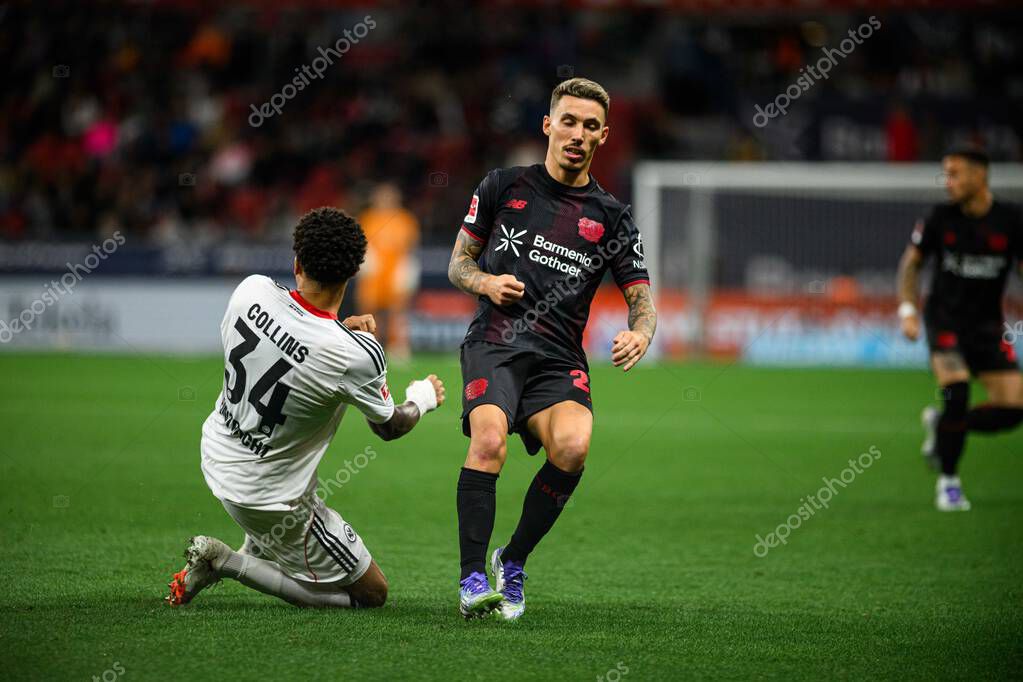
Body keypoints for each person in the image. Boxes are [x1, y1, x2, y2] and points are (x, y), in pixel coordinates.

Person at [447, 78, 657, 619]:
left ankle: (512, 560)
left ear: (603, 136)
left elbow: (642, 301)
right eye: (568, 121)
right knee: (489, 441)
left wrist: (641, 333)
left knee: (573, 448)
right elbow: (459, 264)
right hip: (495, 343)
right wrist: (486, 283)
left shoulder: (612, 217)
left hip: (558, 359)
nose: (577, 134)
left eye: (590, 126)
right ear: (548, 125)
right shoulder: (502, 186)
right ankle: (471, 578)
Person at [166, 207, 444, 608]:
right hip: (269, 499)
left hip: (217, 454)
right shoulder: (355, 354)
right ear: (353, 274)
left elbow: (293, 341)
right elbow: (388, 426)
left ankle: (253, 547)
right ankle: (225, 562)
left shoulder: (250, 290)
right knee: (371, 594)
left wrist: (339, 333)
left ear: (297, 263)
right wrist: (423, 398)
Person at [896, 150, 1023, 511]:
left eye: (955, 174)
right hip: (944, 322)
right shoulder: (940, 218)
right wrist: (907, 311)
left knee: (1014, 408)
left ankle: (944, 425)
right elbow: (911, 265)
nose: (947, 181)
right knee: (957, 393)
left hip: (987, 327)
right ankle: (949, 482)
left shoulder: (1011, 220)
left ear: (980, 176)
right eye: (945, 173)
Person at [356, 182, 420, 362]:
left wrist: (407, 268)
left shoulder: (405, 219)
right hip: (374, 274)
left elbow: (411, 247)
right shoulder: (367, 218)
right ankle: (370, 346)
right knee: (369, 309)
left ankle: (398, 346)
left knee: (398, 311)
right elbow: (360, 244)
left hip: (395, 272)